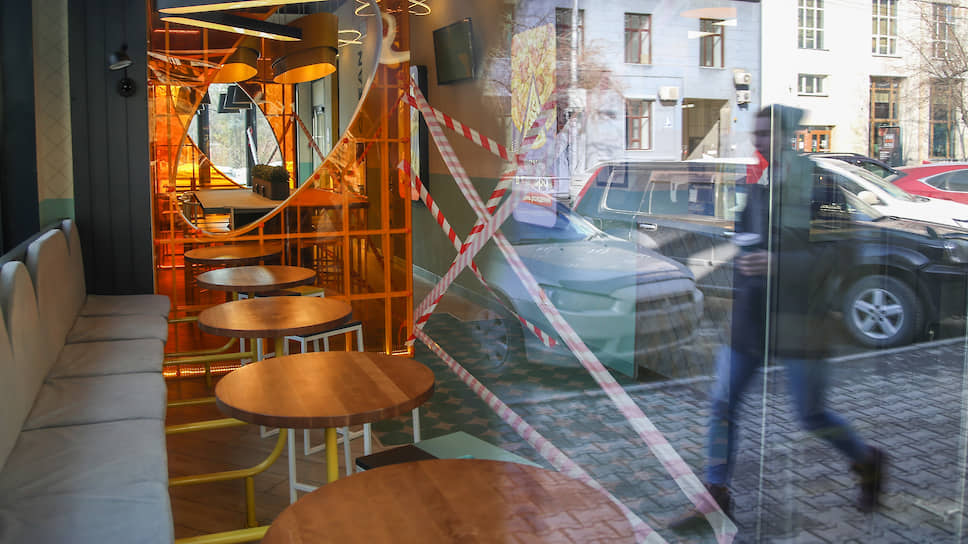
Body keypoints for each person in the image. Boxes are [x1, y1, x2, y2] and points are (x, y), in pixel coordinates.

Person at [670, 105, 885, 530]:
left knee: (811, 415)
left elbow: (843, 254)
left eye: (767, 133)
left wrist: (778, 264)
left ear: (789, 136)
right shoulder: (760, 183)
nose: (759, 141)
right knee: (722, 403)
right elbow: (747, 239)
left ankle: (867, 460)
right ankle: (716, 495)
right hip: (751, 320)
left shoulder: (820, 185)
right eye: (756, 133)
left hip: (801, 321)